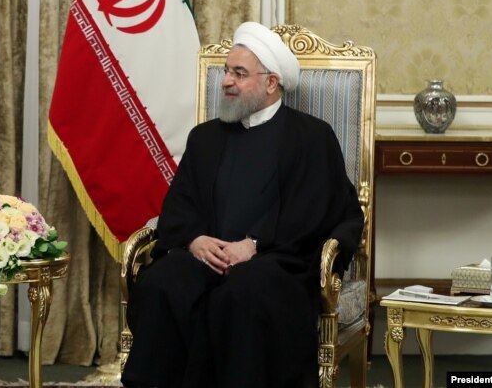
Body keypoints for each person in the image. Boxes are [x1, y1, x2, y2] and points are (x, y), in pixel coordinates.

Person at [121, 22, 364, 388]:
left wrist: (254, 244)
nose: (226, 82)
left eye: (239, 73)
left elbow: (318, 213)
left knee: (244, 293)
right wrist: (195, 240)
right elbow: (179, 205)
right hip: (206, 256)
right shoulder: (205, 138)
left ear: (271, 83)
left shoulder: (311, 137)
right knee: (163, 284)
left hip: (275, 262)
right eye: (226, 71)